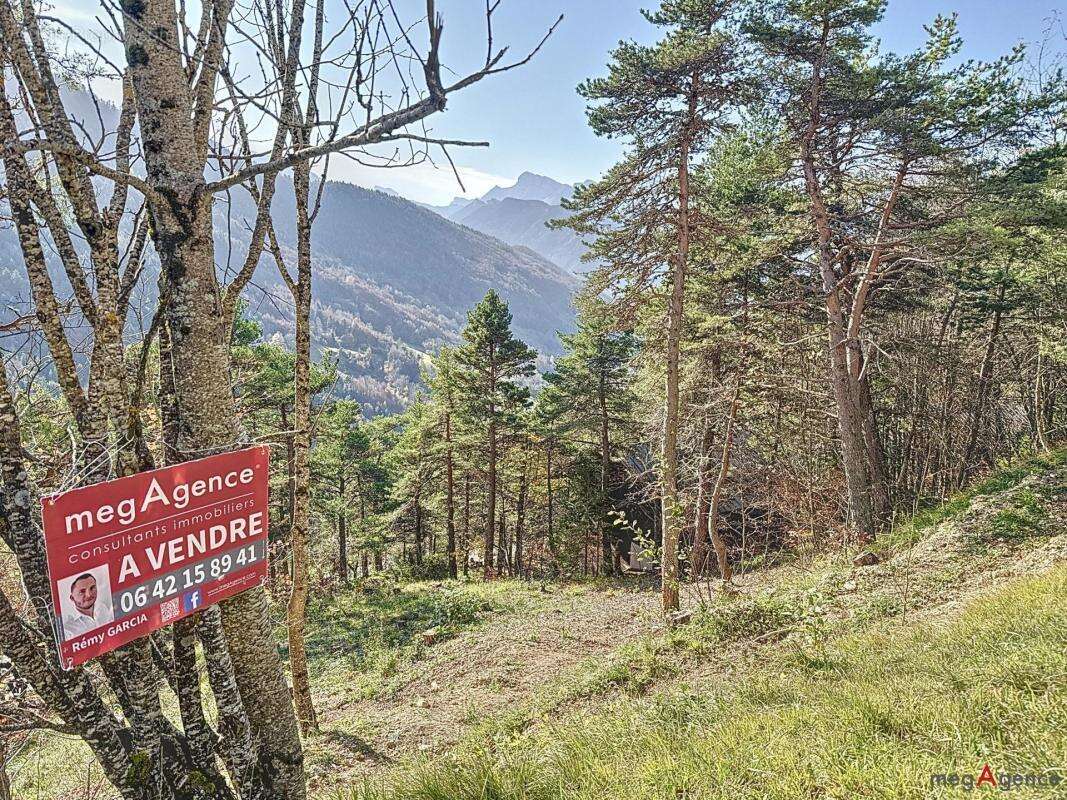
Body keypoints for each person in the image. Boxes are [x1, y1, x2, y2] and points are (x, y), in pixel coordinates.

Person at [61, 571, 114, 640]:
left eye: (92, 588)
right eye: (82, 591)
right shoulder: (67, 629)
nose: (89, 595)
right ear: (72, 598)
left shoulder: (102, 607)